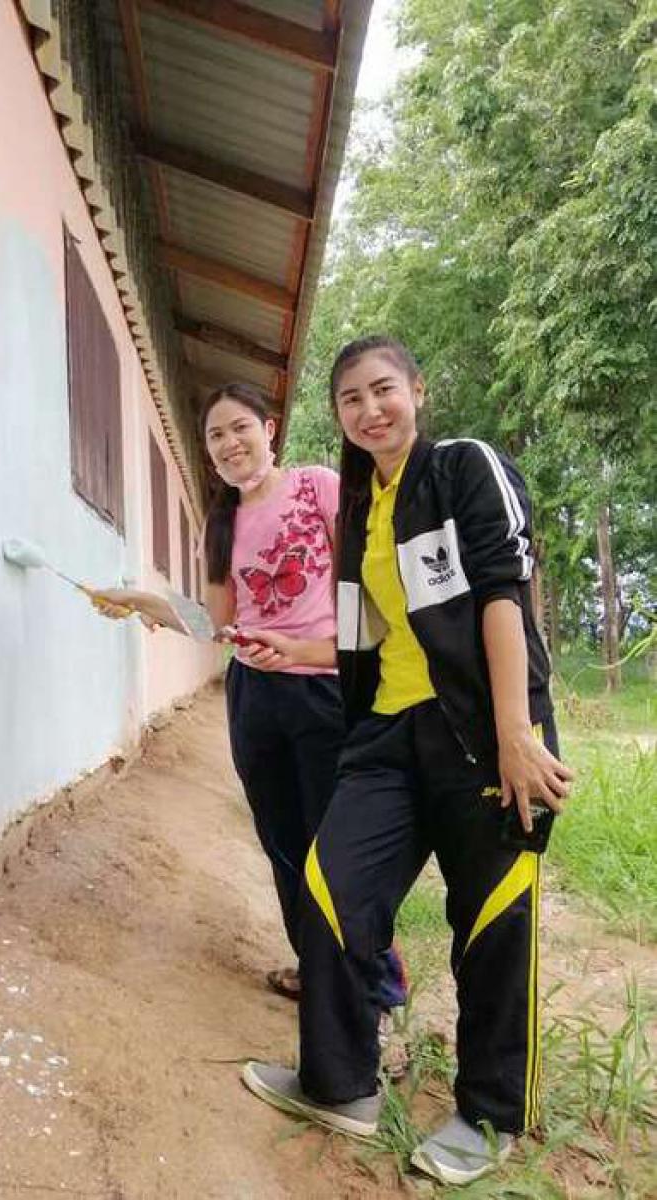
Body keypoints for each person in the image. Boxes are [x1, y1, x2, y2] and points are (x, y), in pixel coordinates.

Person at [237, 337, 573, 1187]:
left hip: (483, 733)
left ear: (418, 389)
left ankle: (492, 1115)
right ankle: (339, 1085)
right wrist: (291, 650)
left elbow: (502, 593)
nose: (369, 409)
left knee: (491, 920)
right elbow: (367, 635)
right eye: (350, 399)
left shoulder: (463, 468)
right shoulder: (360, 510)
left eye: (383, 389)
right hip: (387, 738)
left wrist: (516, 731)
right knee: (331, 892)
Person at [200, 383, 406, 1010]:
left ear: (268, 429)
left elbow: (362, 587)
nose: (230, 444)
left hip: (324, 687)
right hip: (254, 695)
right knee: (282, 839)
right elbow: (220, 621)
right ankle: (317, 968)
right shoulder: (220, 523)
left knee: (336, 842)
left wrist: (311, 650)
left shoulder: (316, 486)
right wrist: (150, 607)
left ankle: (374, 984)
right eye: (215, 436)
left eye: (239, 427)